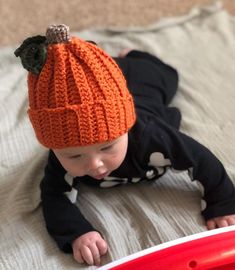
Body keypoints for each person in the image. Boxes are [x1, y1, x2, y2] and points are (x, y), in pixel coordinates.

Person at [15, 24, 235, 266]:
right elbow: (54, 196)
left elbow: (203, 160)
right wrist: (77, 233)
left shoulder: (153, 136)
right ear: (53, 147)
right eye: (75, 156)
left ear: (126, 130)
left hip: (144, 85)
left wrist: (222, 202)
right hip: (101, 97)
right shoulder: (58, 158)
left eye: (107, 147)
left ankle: (132, 55)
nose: (95, 164)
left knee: (168, 76)